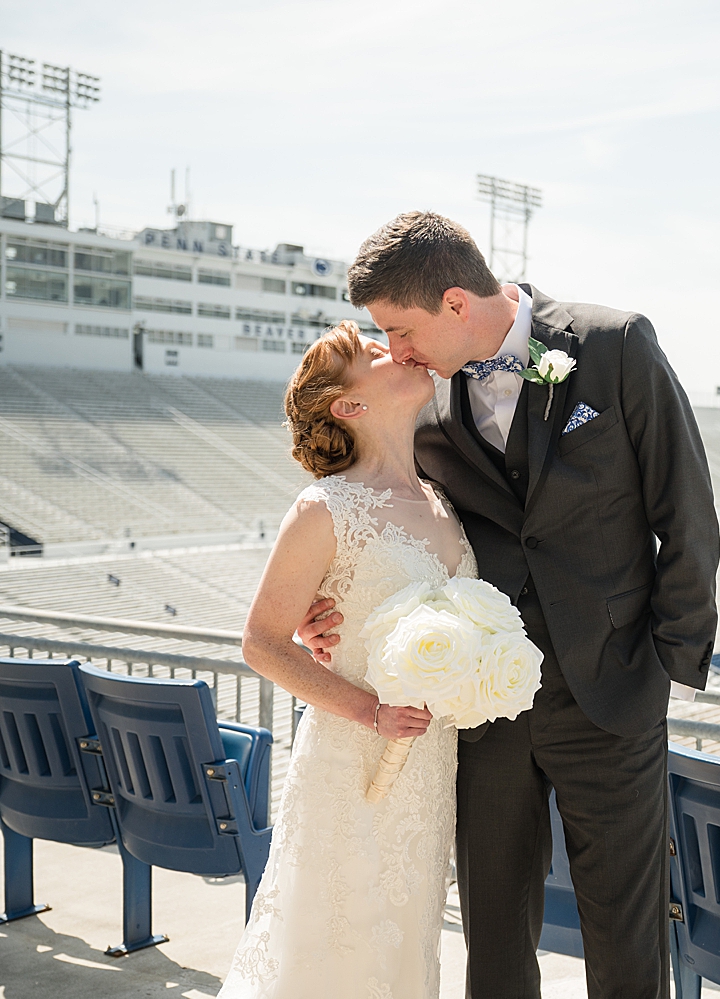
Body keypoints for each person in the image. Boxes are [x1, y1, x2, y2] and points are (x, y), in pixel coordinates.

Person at [297, 212, 720, 999]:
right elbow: (369, 507)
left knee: (625, 941)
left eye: (399, 328)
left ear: (456, 303)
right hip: (483, 704)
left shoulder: (617, 344)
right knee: (492, 933)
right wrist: (326, 603)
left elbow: (686, 514)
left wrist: (670, 666)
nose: (394, 350)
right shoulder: (419, 404)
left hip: (613, 696)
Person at [220, 320, 475, 998]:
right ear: (349, 406)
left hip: (430, 773)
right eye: (373, 352)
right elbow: (261, 641)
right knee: (332, 947)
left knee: (402, 949)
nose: (396, 349)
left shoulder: (443, 502)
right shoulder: (323, 508)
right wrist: (372, 710)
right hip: (350, 766)